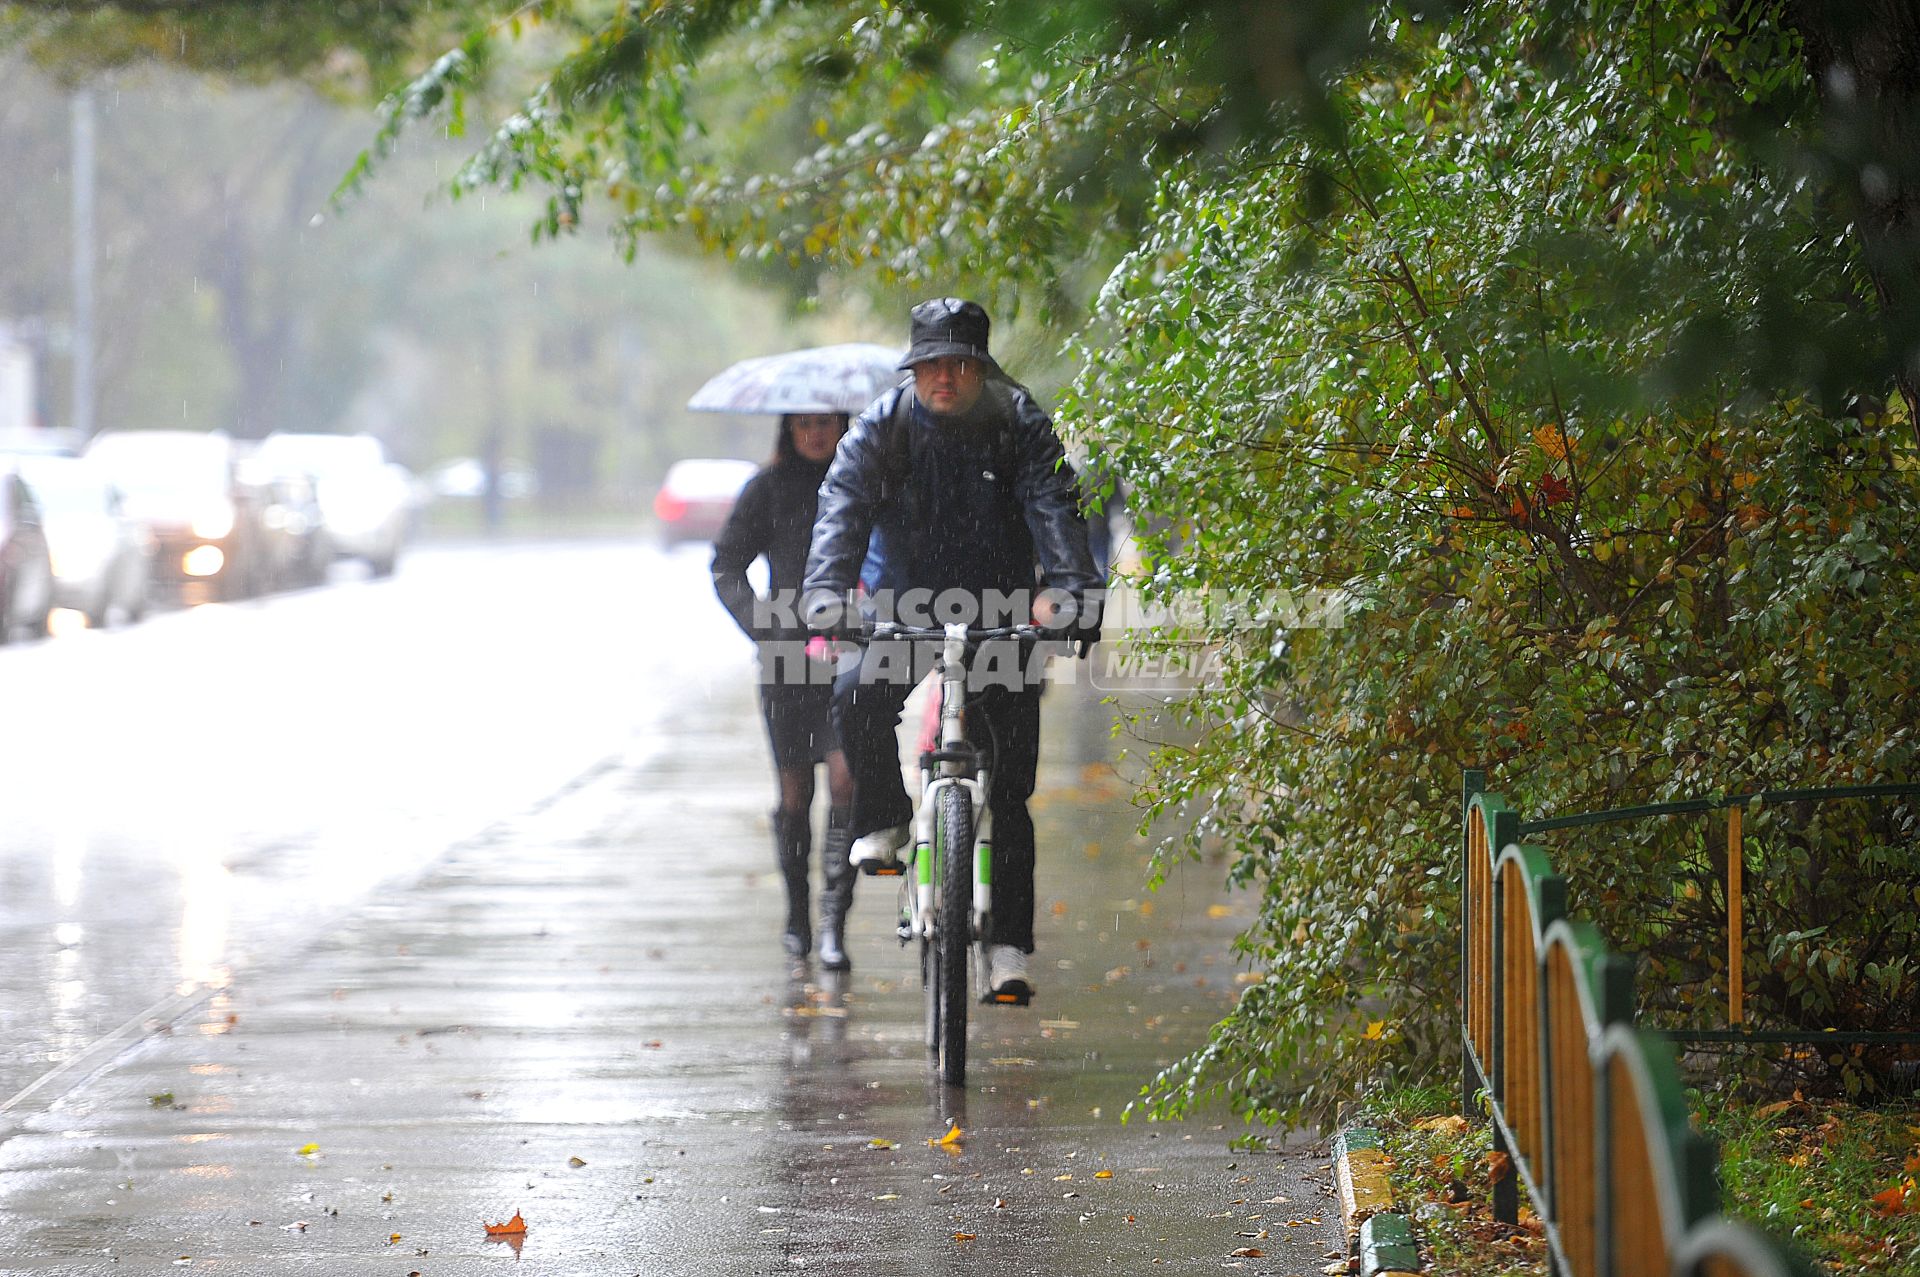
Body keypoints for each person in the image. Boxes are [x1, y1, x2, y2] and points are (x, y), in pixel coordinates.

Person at [801, 298, 1101, 1001]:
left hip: (1000, 610)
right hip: (901, 604)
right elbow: (840, 508)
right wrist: (826, 594)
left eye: (959, 365)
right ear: (914, 369)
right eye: (931, 365)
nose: (944, 378)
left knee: (1013, 789)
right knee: (856, 695)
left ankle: (1008, 947)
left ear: (981, 369)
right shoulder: (883, 427)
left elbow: (1056, 508)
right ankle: (886, 816)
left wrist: (1072, 593)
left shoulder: (1020, 422)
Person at [711, 412, 857, 971]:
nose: (816, 433)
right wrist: (761, 623)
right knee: (796, 797)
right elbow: (726, 565)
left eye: (826, 422)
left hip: (851, 655)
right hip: (786, 663)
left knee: (847, 783)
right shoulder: (767, 487)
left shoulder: (863, 478)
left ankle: (833, 923)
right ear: (788, 429)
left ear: (843, 425)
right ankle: (797, 915)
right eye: (804, 424)